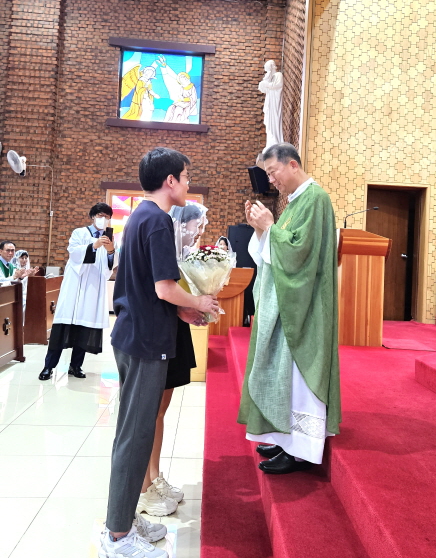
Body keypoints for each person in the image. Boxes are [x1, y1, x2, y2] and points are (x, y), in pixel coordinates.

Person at [99, 147, 218, 558]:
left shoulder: (140, 216)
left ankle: (125, 518)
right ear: (170, 181)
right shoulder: (158, 220)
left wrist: (184, 310)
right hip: (146, 342)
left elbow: (149, 287)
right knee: (135, 436)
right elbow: (164, 288)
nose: (188, 183)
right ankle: (117, 536)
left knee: (134, 432)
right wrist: (199, 301)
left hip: (135, 334)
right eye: (186, 177)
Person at [237, 142, 341, 474]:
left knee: (297, 377)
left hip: (305, 306)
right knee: (283, 375)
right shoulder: (296, 201)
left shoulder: (315, 199)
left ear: (292, 164)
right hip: (288, 303)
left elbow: (299, 255)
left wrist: (270, 228)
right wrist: (261, 230)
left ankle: (300, 450)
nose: (271, 180)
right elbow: (280, 249)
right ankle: (284, 438)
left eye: (273, 172)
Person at [137, 201, 209, 516]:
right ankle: (143, 488)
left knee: (161, 411)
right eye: (197, 225)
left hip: (174, 329)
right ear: (181, 224)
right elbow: (161, 290)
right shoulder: (160, 242)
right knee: (150, 413)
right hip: (154, 332)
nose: (200, 230)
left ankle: (155, 477)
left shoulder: (184, 253)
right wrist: (194, 302)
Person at [38, 203, 116, 381]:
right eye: (100, 215)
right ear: (93, 216)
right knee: (61, 329)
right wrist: (94, 245)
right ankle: (48, 366)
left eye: (107, 216)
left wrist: (110, 251)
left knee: (84, 329)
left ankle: (76, 366)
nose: (103, 219)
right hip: (75, 286)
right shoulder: (79, 233)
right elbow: (74, 254)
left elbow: (111, 265)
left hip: (93, 289)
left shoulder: (110, 238)